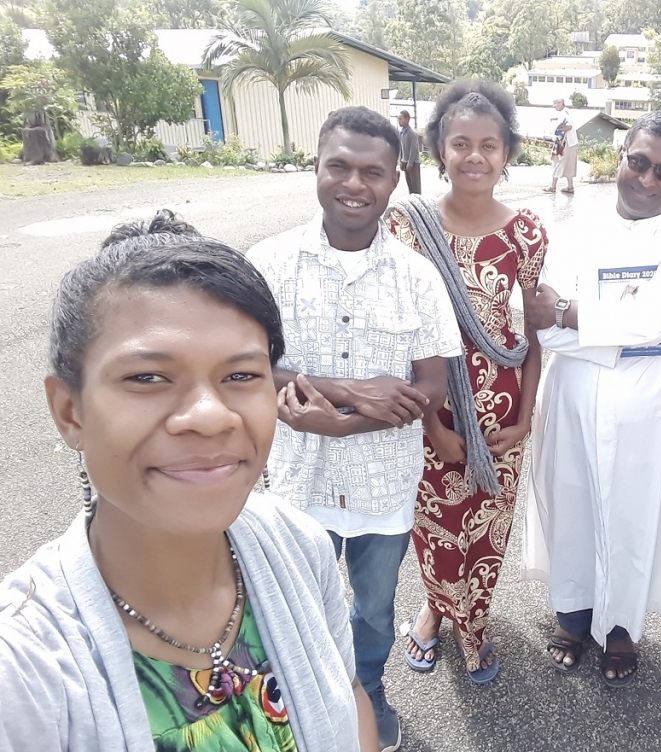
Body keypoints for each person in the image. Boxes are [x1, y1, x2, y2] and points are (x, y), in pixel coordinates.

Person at [0, 211, 378, 751]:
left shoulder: (298, 545)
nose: (210, 415)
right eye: (147, 377)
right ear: (69, 411)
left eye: (241, 375)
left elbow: (349, 690)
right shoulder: (21, 673)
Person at [247, 107, 462, 752]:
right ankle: (297, 704)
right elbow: (245, 367)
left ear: (395, 179)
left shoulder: (418, 277)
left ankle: (367, 690)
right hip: (296, 480)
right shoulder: (267, 265)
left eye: (372, 171)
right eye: (338, 166)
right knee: (289, 605)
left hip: (382, 486)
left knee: (374, 610)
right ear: (315, 167)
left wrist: (339, 427)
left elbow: (431, 386)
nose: (353, 184)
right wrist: (350, 391)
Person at [522, 110, 661, 687]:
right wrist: (617, 331)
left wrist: (572, 314)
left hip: (648, 413)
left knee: (635, 518)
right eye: (639, 162)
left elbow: (657, 323)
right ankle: (572, 616)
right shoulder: (572, 232)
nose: (647, 180)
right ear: (621, 157)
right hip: (573, 400)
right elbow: (545, 329)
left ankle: (621, 629)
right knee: (573, 506)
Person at [386, 79, 547, 685]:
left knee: (485, 526)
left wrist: (525, 418)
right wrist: (430, 422)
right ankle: (434, 609)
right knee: (436, 525)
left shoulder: (526, 232)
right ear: (439, 149)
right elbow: (399, 335)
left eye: (488, 145)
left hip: (501, 416)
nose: (474, 156)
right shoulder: (407, 227)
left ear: (507, 153)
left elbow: (532, 334)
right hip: (430, 408)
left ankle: (472, 623)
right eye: (460, 143)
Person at [543, 98, 578, 194]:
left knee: (558, 162)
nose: (554, 106)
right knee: (569, 164)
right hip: (571, 142)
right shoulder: (567, 112)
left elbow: (569, 126)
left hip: (565, 143)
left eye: (555, 103)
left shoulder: (564, 113)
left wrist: (558, 130)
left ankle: (553, 186)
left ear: (561, 103)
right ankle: (570, 187)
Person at [397, 110, 421, 195]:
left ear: (407, 119)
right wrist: (401, 160)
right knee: (409, 185)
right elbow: (401, 148)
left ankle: (418, 201)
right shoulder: (401, 133)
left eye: (401, 119)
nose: (399, 121)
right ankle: (411, 201)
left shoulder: (412, 133)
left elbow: (413, 149)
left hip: (413, 163)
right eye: (398, 119)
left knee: (415, 186)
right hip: (405, 162)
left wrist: (410, 163)